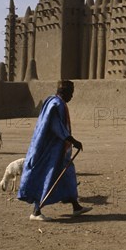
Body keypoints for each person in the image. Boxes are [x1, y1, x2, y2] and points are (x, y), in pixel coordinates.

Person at [17, 80, 91, 221]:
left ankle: (76, 206)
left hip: (60, 149)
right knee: (47, 176)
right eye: (71, 93)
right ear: (65, 92)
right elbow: (56, 126)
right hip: (51, 150)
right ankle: (36, 212)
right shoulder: (56, 105)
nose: (72, 96)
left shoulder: (55, 102)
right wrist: (73, 140)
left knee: (67, 174)